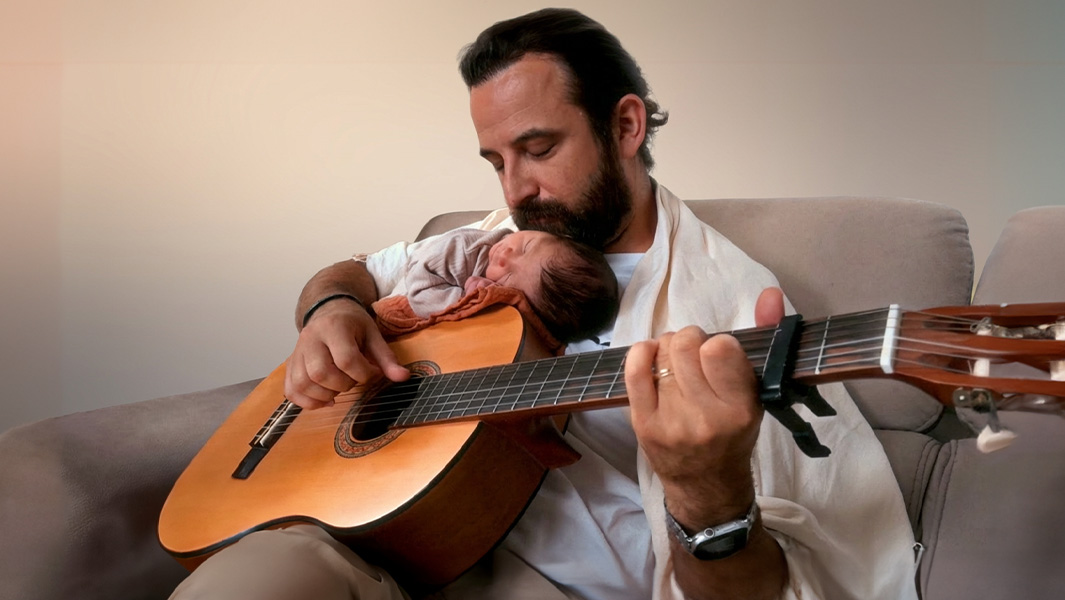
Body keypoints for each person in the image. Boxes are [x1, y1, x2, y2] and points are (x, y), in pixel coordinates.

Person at [171, 8, 918, 600]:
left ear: (625, 126)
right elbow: (358, 270)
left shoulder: (726, 306)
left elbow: (781, 589)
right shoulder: (499, 237)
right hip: (376, 539)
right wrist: (330, 308)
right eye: (496, 160)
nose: (514, 190)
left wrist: (707, 494)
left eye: (537, 149)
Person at [388, 227, 619, 344]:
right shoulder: (460, 249)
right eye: (527, 246)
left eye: (508, 277)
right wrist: (465, 300)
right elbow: (419, 291)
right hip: (402, 294)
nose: (505, 256)